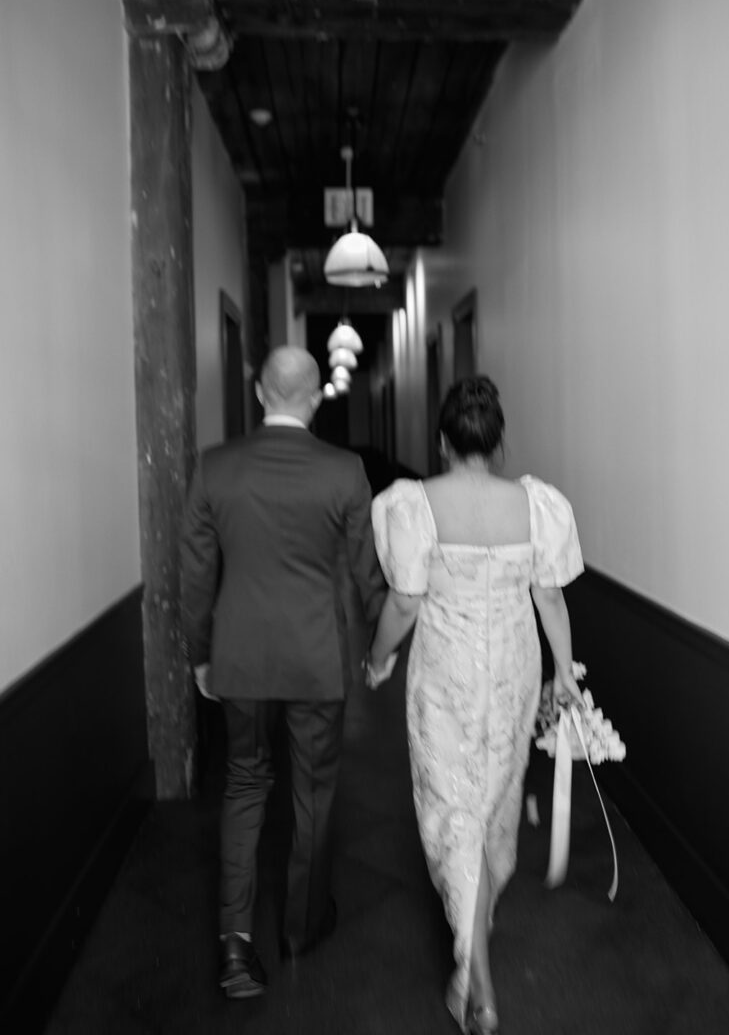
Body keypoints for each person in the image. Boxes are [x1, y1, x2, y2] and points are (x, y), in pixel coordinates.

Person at [365, 376, 584, 1035]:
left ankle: (478, 981)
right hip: (515, 666)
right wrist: (565, 673)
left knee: (452, 806)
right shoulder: (535, 504)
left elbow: (405, 601)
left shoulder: (413, 504)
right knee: (491, 801)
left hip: (446, 670)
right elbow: (550, 596)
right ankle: (475, 951)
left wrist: (377, 658)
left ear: (442, 442)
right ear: (498, 441)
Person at [180, 346, 386, 1000]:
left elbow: (195, 576)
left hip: (240, 655)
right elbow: (368, 572)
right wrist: (383, 647)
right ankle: (301, 927)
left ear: (259, 392)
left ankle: (234, 944)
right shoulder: (344, 470)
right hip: (315, 657)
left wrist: (201, 653)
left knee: (244, 784)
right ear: (316, 398)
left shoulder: (215, 467)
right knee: (314, 793)